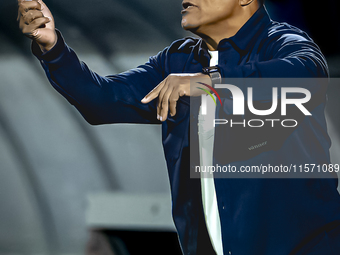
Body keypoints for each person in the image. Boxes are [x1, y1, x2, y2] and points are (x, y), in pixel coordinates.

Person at [17, 0, 340, 254]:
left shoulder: (283, 43)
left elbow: (304, 77)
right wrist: (53, 48)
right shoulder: (177, 61)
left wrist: (207, 84)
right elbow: (103, 100)